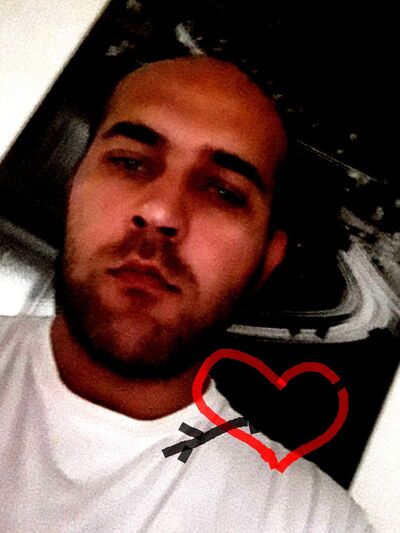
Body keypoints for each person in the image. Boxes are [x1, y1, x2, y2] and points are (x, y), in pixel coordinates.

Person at [0, 56, 372, 532]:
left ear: (266, 259)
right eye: (130, 162)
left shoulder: (311, 522)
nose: (161, 212)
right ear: (75, 187)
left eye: (223, 191)